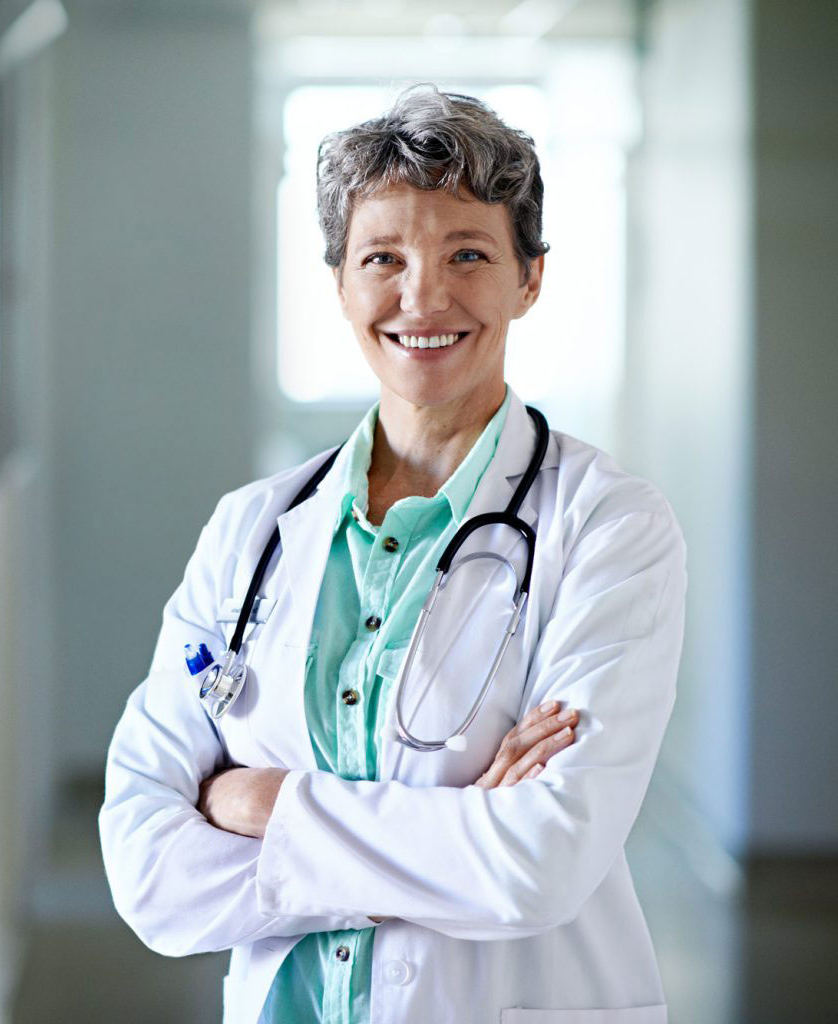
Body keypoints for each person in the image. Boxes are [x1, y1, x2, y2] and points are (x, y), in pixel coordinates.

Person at [99, 84, 686, 1024]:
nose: (425, 297)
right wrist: (449, 846)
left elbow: (538, 864)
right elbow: (147, 869)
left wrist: (266, 805)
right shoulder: (251, 530)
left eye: (468, 254)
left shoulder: (609, 527)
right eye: (383, 257)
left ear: (528, 279)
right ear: (339, 281)